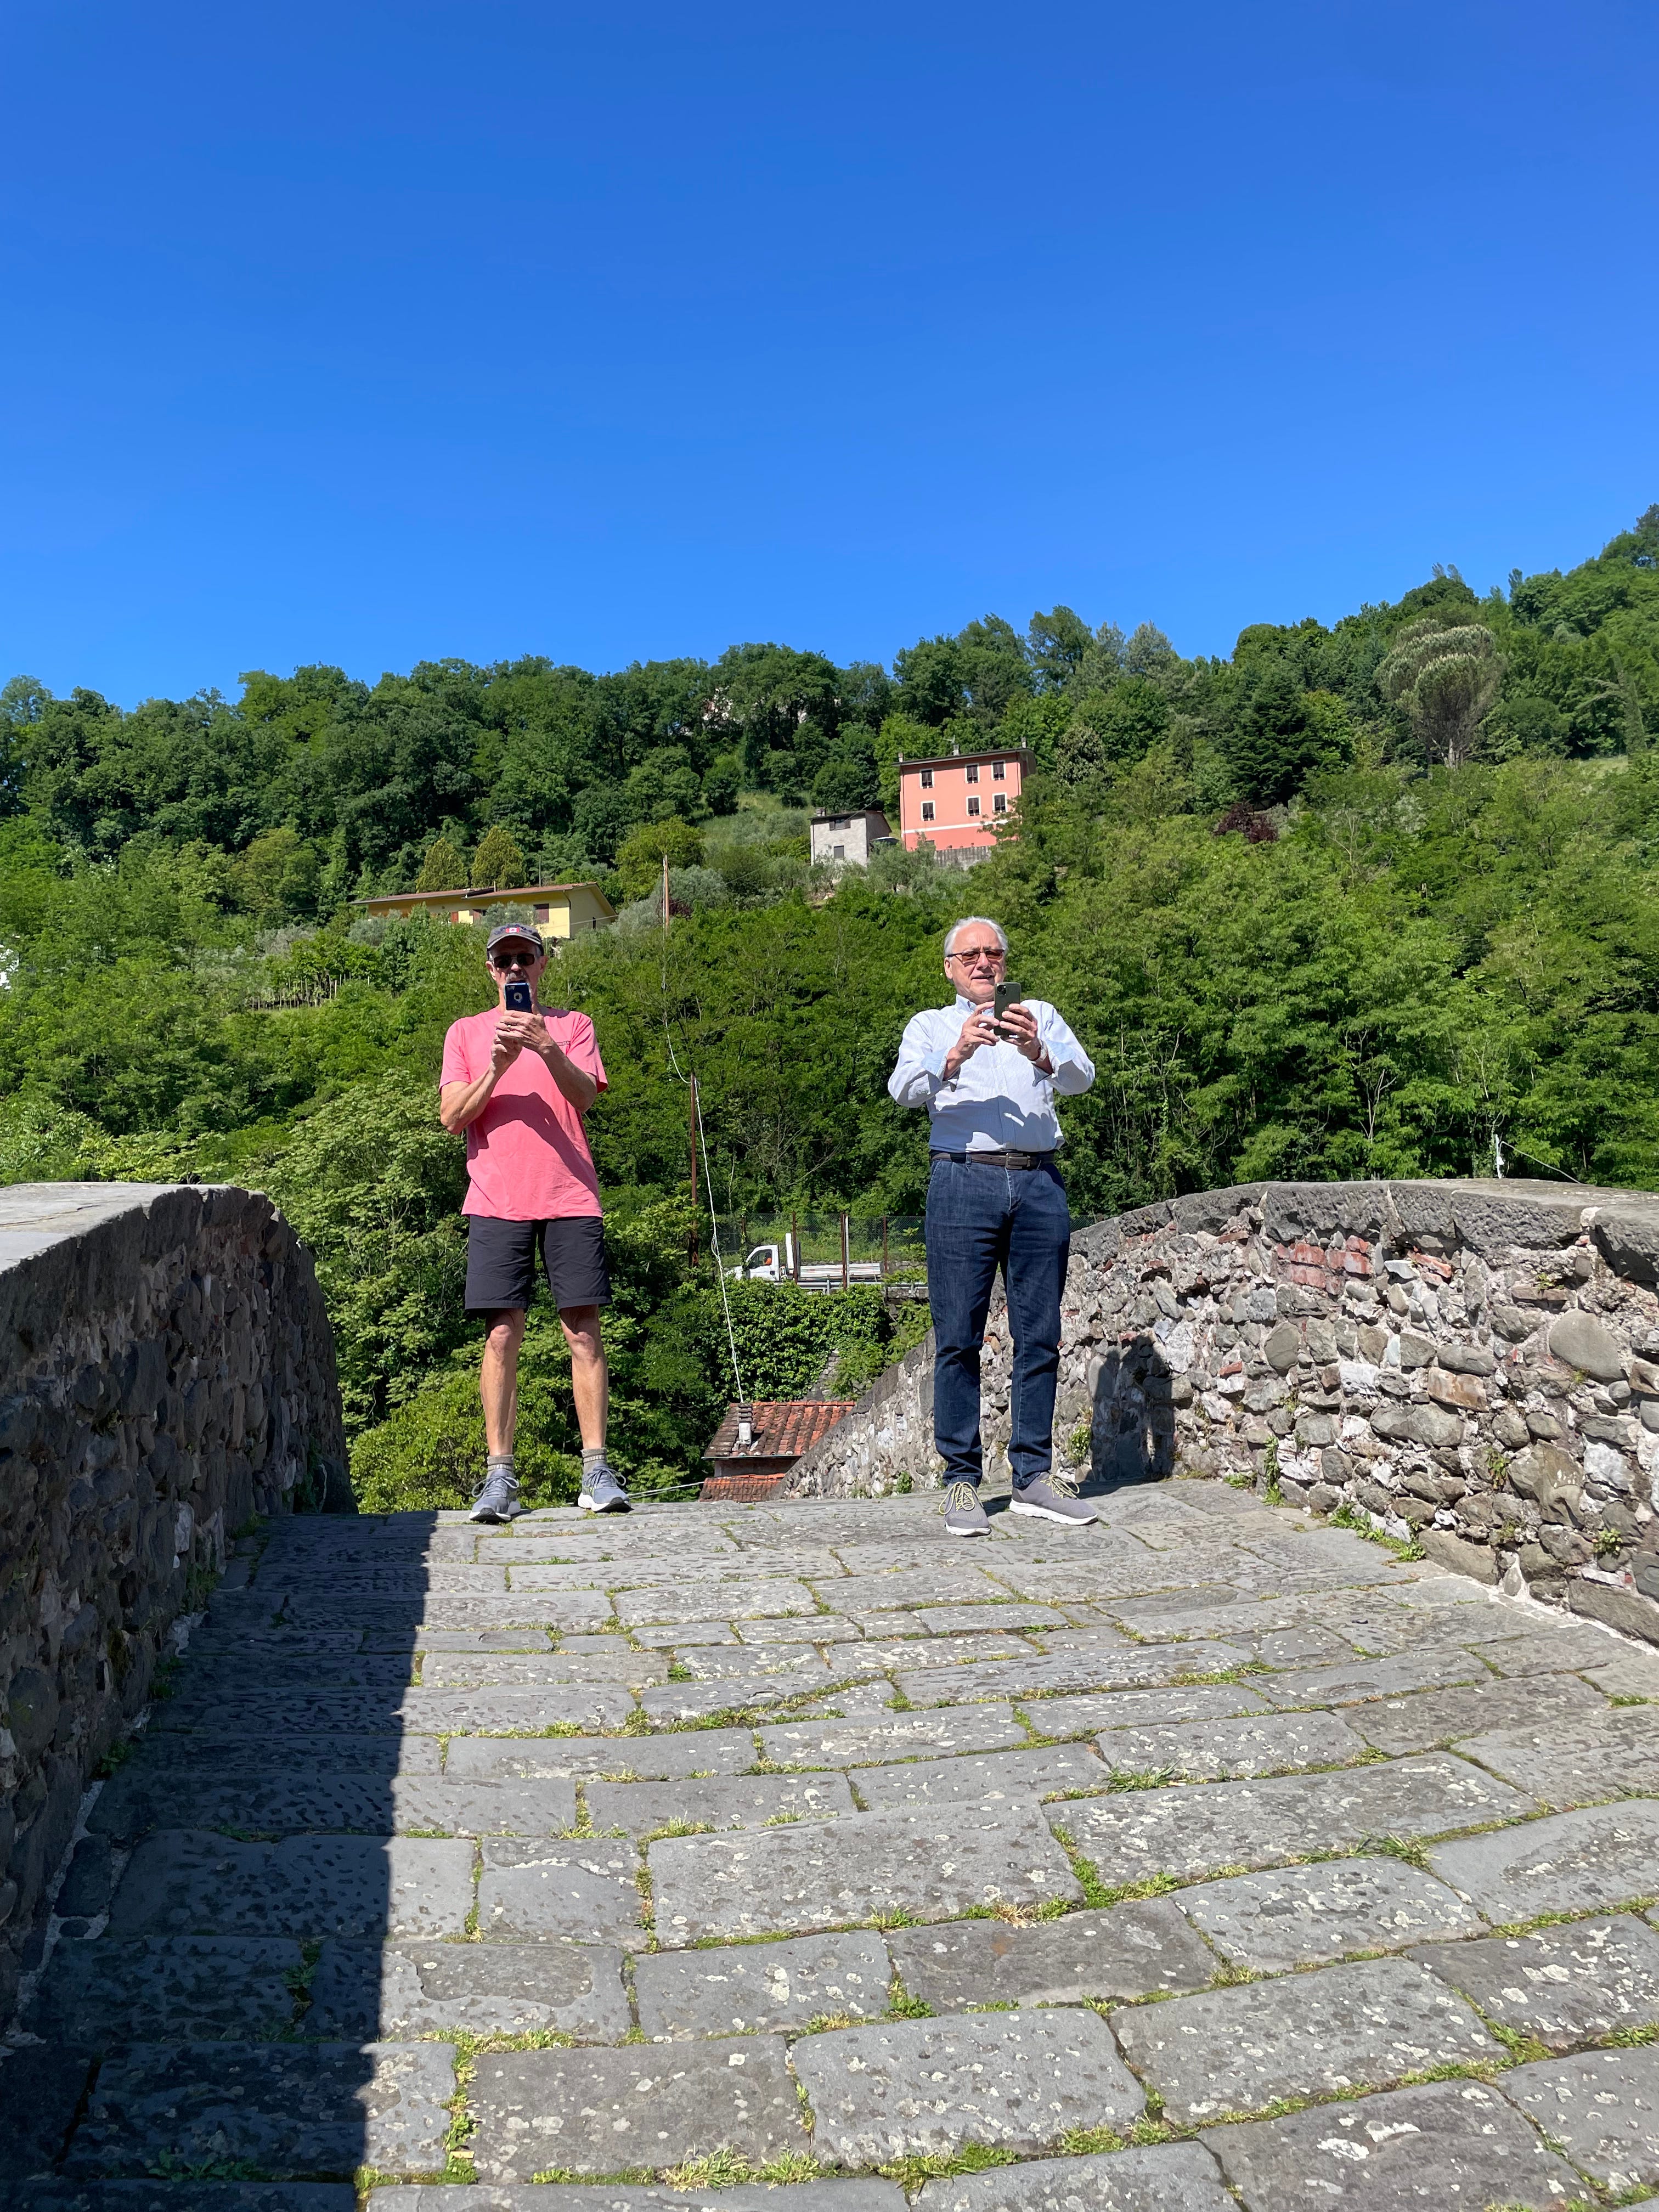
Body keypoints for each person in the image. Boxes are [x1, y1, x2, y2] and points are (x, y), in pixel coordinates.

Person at [888, 916, 1097, 1536]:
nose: (984, 963)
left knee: (1041, 1335)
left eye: (993, 953)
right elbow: (902, 1090)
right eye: (970, 955)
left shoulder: (1040, 1015)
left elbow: (1082, 1079)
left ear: (1005, 961)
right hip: (962, 1178)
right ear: (949, 968)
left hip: (1038, 1181)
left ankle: (1032, 1477)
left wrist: (1039, 1051)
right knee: (959, 1337)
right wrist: (955, 1052)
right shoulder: (929, 1025)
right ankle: (961, 1481)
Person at [438, 920, 625, 1520]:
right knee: (501, 1334)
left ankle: (596, 1471)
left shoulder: (574, 1026)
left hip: (570, 1195)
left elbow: (585, 1097)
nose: (515, 968)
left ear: (543, 964)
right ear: (491, 970)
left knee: (584, 1330)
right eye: (505, 960)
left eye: (525, 957)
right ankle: (500, 1479)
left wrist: (545, 1046)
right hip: (497, 1198)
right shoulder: (466, 1033)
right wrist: (497, 1067)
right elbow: (452, 1117)